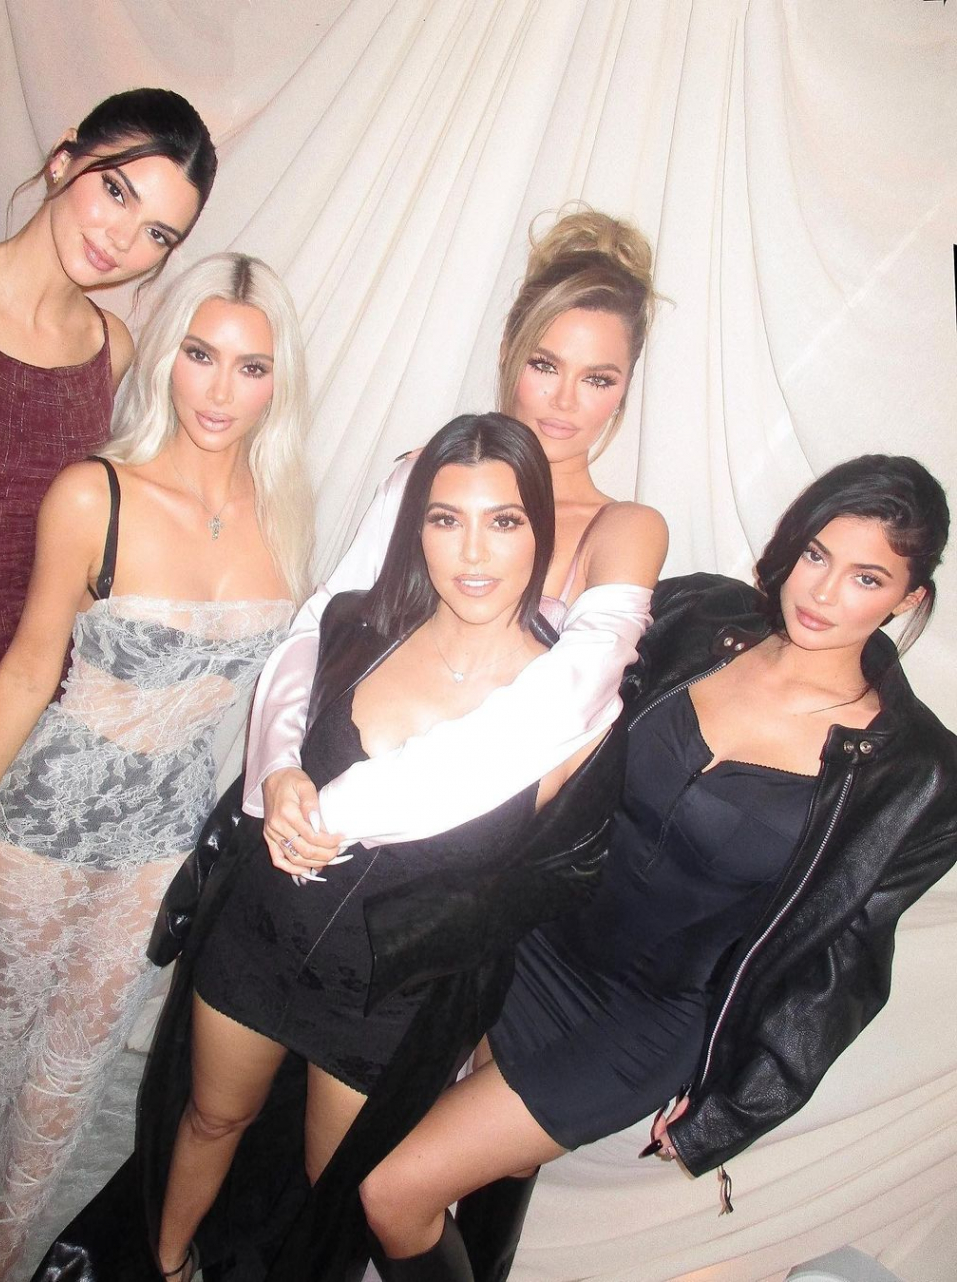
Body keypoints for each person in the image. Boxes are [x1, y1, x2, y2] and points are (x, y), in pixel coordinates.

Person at [356, 454, 957, 1282]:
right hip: (533, 939)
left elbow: (843, 966)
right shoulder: (697, 616)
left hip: (649, 1018)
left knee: (392, 1193)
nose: (821, 593)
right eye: (817, 554)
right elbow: (556, 709)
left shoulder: (915, 776)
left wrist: (738, 1097)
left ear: (908, 598)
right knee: (488, 1167)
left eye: (866, 577)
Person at [146, 414, 630, 1282]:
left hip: (385, 1002)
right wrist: (281, 776)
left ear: (540, 532)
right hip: (259, 939)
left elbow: (547, 888)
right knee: (210, 1119)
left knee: (337, 1192)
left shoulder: (570, 717)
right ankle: (168, 1264)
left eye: (503, 520)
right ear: (416, 529)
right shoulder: (360, 629)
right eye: (446, 519)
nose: (472, 552)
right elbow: (282, 734)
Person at [0, 251, 310, 1282]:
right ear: (166, 358)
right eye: (199, 354)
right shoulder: (92, 492)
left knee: (81, 1073)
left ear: (279, 381)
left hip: (160, 847)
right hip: (41, 832)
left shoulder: (286, 514)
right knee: (6, 1073)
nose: (220, 390)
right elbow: (29, 667)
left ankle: (11, 1258)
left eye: (251, 366)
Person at [0, 86, 217, 1136]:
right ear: (64, 160)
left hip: (12, 724)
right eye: (116, 190)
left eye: (158, 233)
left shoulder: (115, 353)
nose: (123, 240)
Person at [245, 208, 667, 871]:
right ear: (508, 354)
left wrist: (338, 813)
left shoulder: (624, 529)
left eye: (597, 379)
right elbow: (322, 624)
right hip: (319, 795)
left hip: (451, 865)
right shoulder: (426, 478)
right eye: (545, 365)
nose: (564, 401)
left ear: (624, 388)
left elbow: (564, 703)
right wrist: (277, 769)